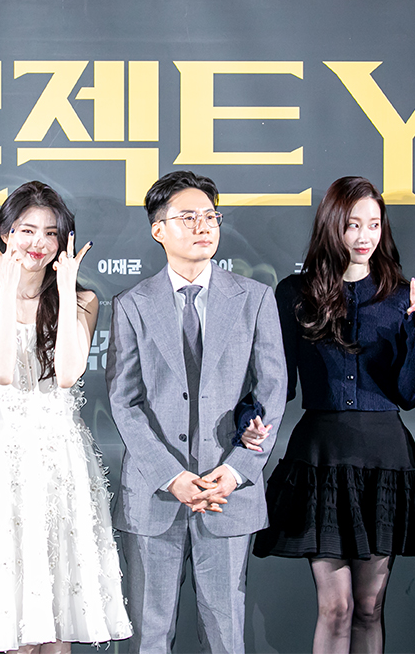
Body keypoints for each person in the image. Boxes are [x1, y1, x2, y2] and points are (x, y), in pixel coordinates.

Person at [248, 176, 415, 653]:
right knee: (336, 608)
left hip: (385, 461)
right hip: (322, 459)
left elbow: (409, 394)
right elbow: (279, 383)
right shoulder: (295, 293)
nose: (364, 236)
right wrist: (249, 415)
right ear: (332, 225)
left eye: (374, 224)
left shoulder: (401, 295)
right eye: (353, 224)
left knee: (370, 607)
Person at [106, 171, 286, 654]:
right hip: (155, 495)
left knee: (226, 634)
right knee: (149, 635)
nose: (203, 226)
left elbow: (272, 390)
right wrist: (171, 476)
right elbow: (124, 401)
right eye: (188, 217)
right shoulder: (132, 305)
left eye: (210, 216)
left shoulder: (254, 299)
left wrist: (238, 469)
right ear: (158, 229)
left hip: (228, 492)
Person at [0, 181, 131, 653]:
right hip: (7, 466)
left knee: (58, 621)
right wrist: (9, 292)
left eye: (51, 233)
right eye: (27, 230)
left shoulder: (83, 300)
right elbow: (2, 371)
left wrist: (67, 289)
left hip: (64, 464)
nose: (39, 243)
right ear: (4, 234)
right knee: (16, 624)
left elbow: (68, 374)